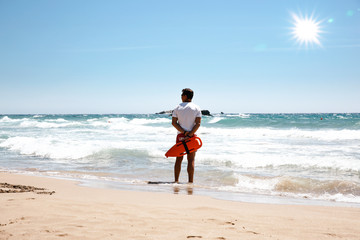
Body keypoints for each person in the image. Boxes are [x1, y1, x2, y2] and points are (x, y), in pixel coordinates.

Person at [172, 88, 201, 183]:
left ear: (185, 96)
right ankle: (190, 182)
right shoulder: (197, 108)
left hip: (180, 136)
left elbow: (174, 123)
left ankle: (176, 181)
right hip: (192, 137)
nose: (181, 97)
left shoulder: (177, 107)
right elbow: (198, 124)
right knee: (191, 159)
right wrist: (190, 134)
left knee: (179, 159)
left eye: (181, 95)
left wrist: (184, 133)